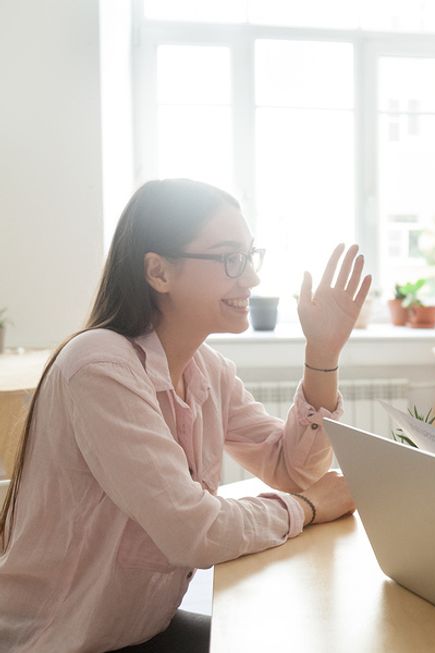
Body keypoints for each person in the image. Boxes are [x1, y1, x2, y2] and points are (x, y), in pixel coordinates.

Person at [0, 179, 372, 652]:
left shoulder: (206, 369)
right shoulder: (100, 367)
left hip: (138, 629)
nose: (251, 279)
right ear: (159, 272)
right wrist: (308, 508)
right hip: (58, 641)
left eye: (250, 256)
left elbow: (293, 469)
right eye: (228, 258)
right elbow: (195, 532)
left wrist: (322, 352)